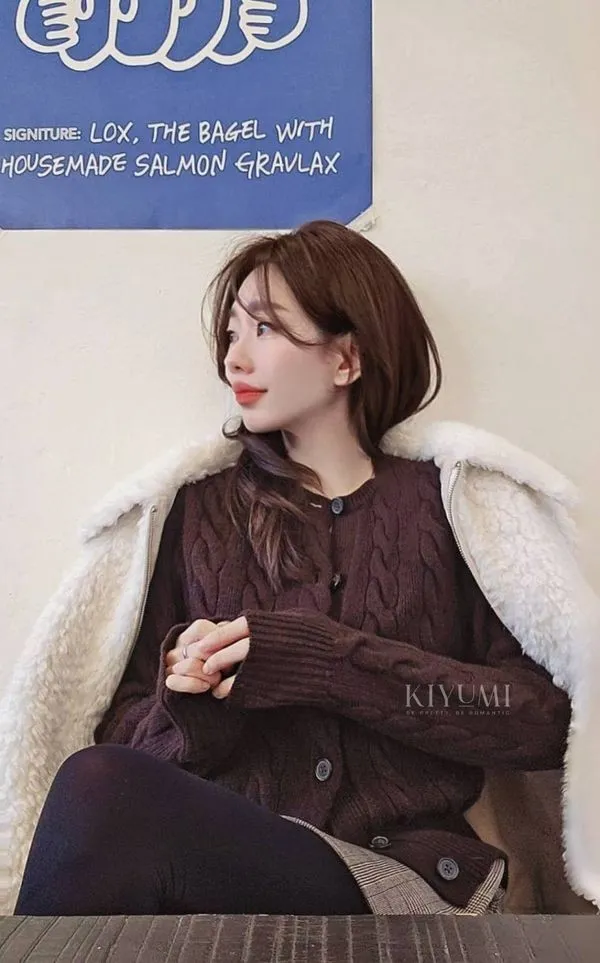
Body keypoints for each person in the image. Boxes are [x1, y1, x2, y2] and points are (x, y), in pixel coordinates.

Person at [13, 220, 571, 917]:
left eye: (265, 329)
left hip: (406, 877)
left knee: (101, 792)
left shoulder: (446, 504)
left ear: (346, 359)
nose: (234, 359)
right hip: (230, 864)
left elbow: (535, 718)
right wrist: (191, 709)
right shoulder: (197, 511)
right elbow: (125, 735)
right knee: (98, 782)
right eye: (230, 334)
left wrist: (330, 663)